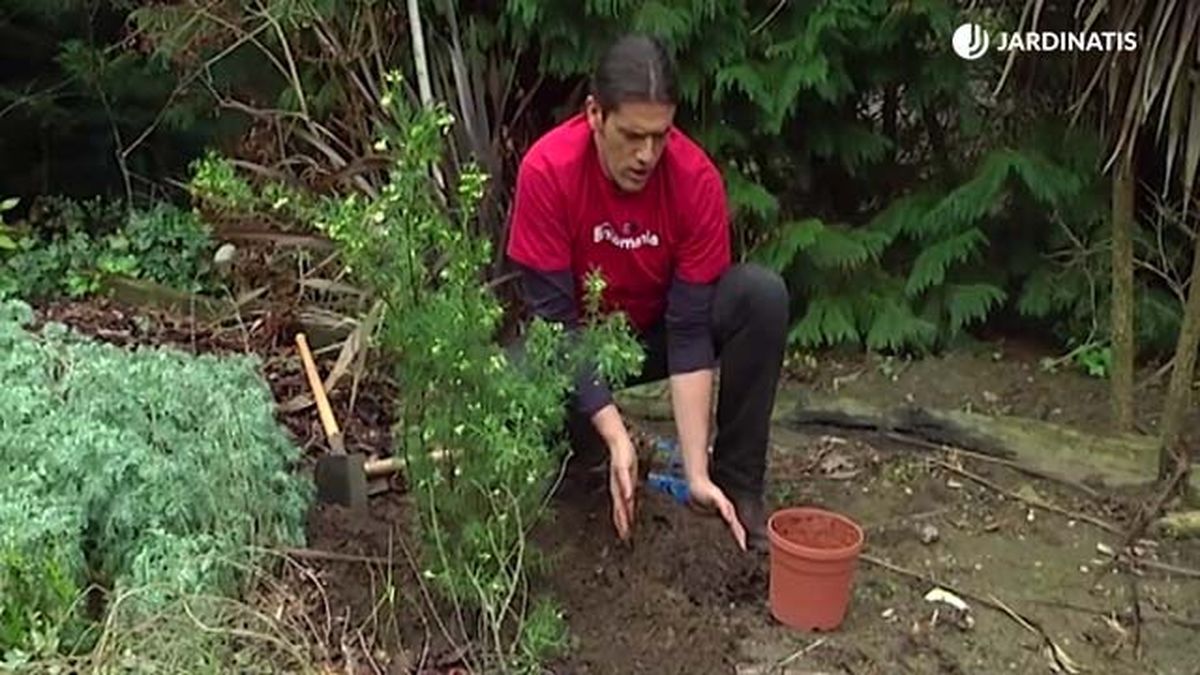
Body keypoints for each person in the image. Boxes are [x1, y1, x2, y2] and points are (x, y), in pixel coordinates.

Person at [505, 33, 788, 553]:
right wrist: (616, 434)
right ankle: (581, 479)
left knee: (760, 297)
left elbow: (689, 329)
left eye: (660, 136)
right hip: (581, 343)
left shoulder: (694, 180)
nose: (647, 155)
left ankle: (735, 492)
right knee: (516, 375)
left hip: (657, 336)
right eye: (632, 136)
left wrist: (696, 472)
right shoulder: (547, 172)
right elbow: (558, 328)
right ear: (595, 114)